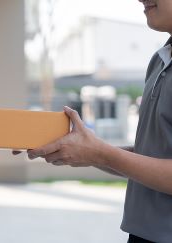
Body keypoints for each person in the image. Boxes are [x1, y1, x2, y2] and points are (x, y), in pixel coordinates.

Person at [27, 1, 172, 242]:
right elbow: (153, 155)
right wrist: (87, 151)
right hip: (141, 235)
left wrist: (98, 154)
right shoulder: (159, 60)